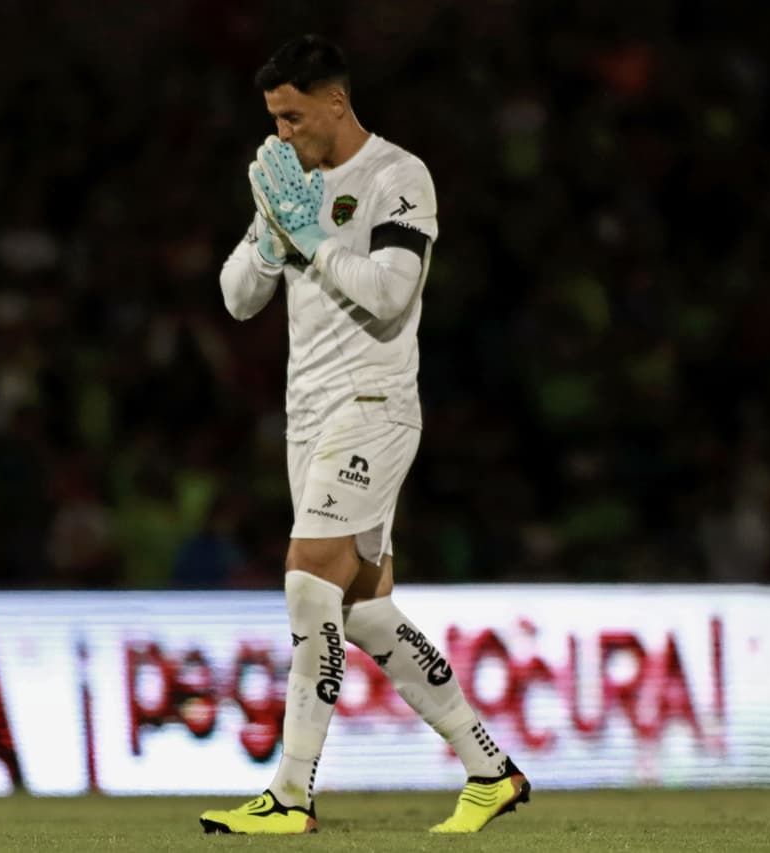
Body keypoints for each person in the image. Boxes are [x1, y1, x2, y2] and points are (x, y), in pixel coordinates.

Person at [198, 34, 530, 835]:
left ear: (336, 103)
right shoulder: (290, 183)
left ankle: (290, 793)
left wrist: (314, 238)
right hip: (307, 416)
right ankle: (491, 769)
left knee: (308, 578)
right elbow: (237, 298)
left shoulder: (397, 176)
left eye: (294, 117)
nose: (283, 135)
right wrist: (273, 236)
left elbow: (390, 293)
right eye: (274, 120)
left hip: (375, 403)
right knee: (366, 612)